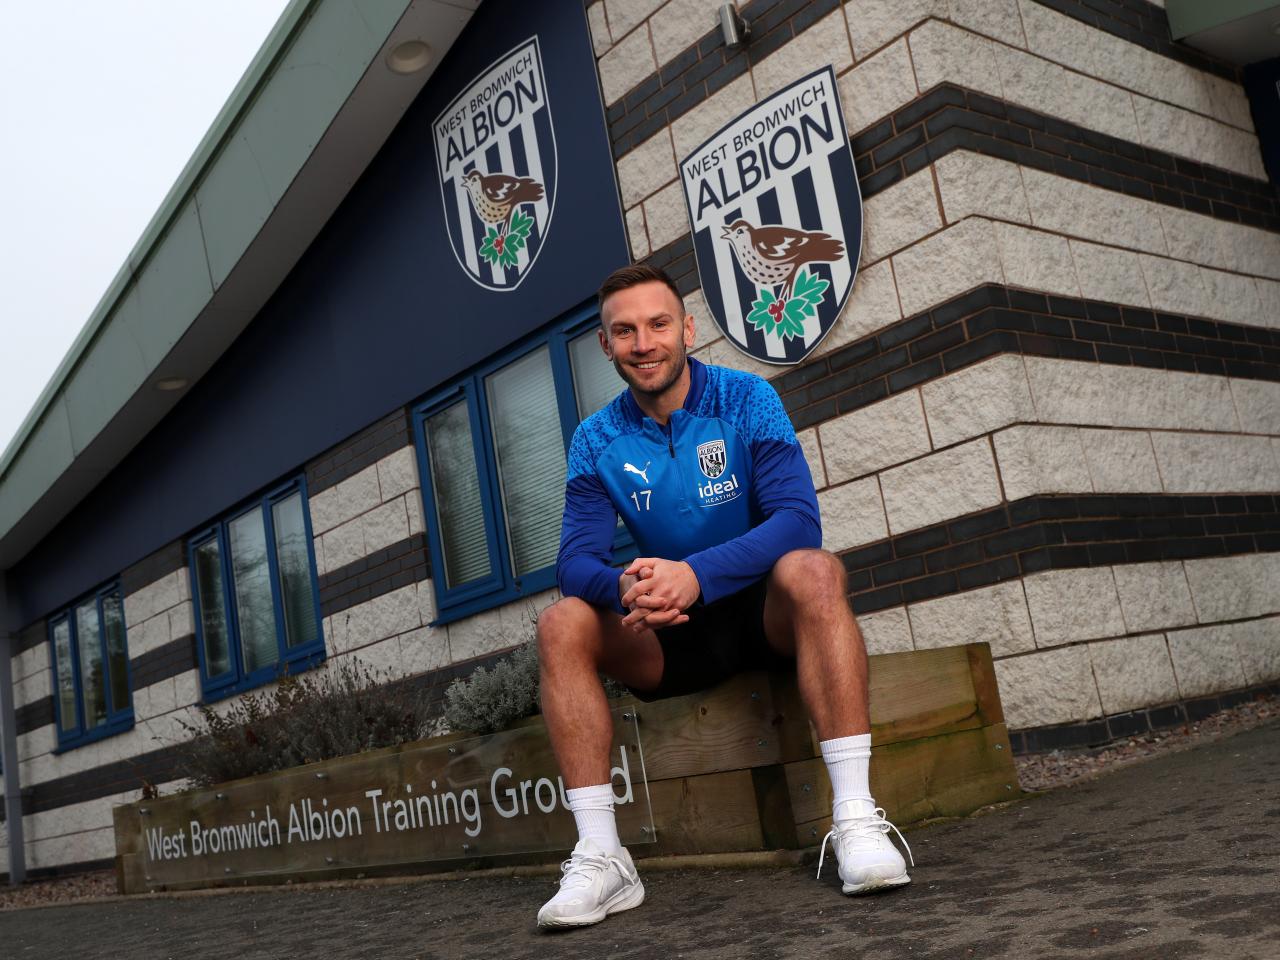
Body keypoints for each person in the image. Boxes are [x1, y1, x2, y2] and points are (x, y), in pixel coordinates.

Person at [535, 264, 911, 929]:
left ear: (686, 329)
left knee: (815, 570)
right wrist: (626, 585)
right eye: (624, 331)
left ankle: (855, 820)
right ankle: (602, 856)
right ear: (605, 344)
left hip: (763, 615)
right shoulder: (595, 438)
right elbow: (574, 563)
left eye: (657, 324)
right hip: (669, 633)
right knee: (562, 622)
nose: (643, 344)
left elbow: (799, 520)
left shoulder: (747, 399)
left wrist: (698, 573)